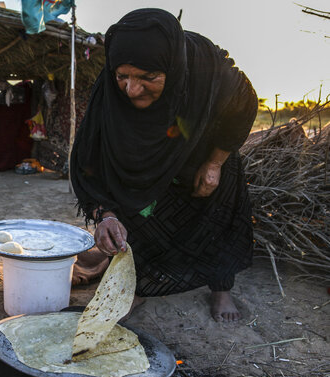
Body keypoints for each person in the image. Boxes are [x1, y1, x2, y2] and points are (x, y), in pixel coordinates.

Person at [70, 9, 258, 323]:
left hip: (204, 150)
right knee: (138, 219)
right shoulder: (108, 94)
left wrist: (215, 162)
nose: (131, 89)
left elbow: (244, 105)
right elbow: (89, 160)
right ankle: (137, 287)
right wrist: (105, 214)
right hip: (145, 170)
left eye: (148, 77)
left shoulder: (206, 67)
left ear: (173, 67)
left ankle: (221, 288)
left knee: (218, 214)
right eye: (123, 76)